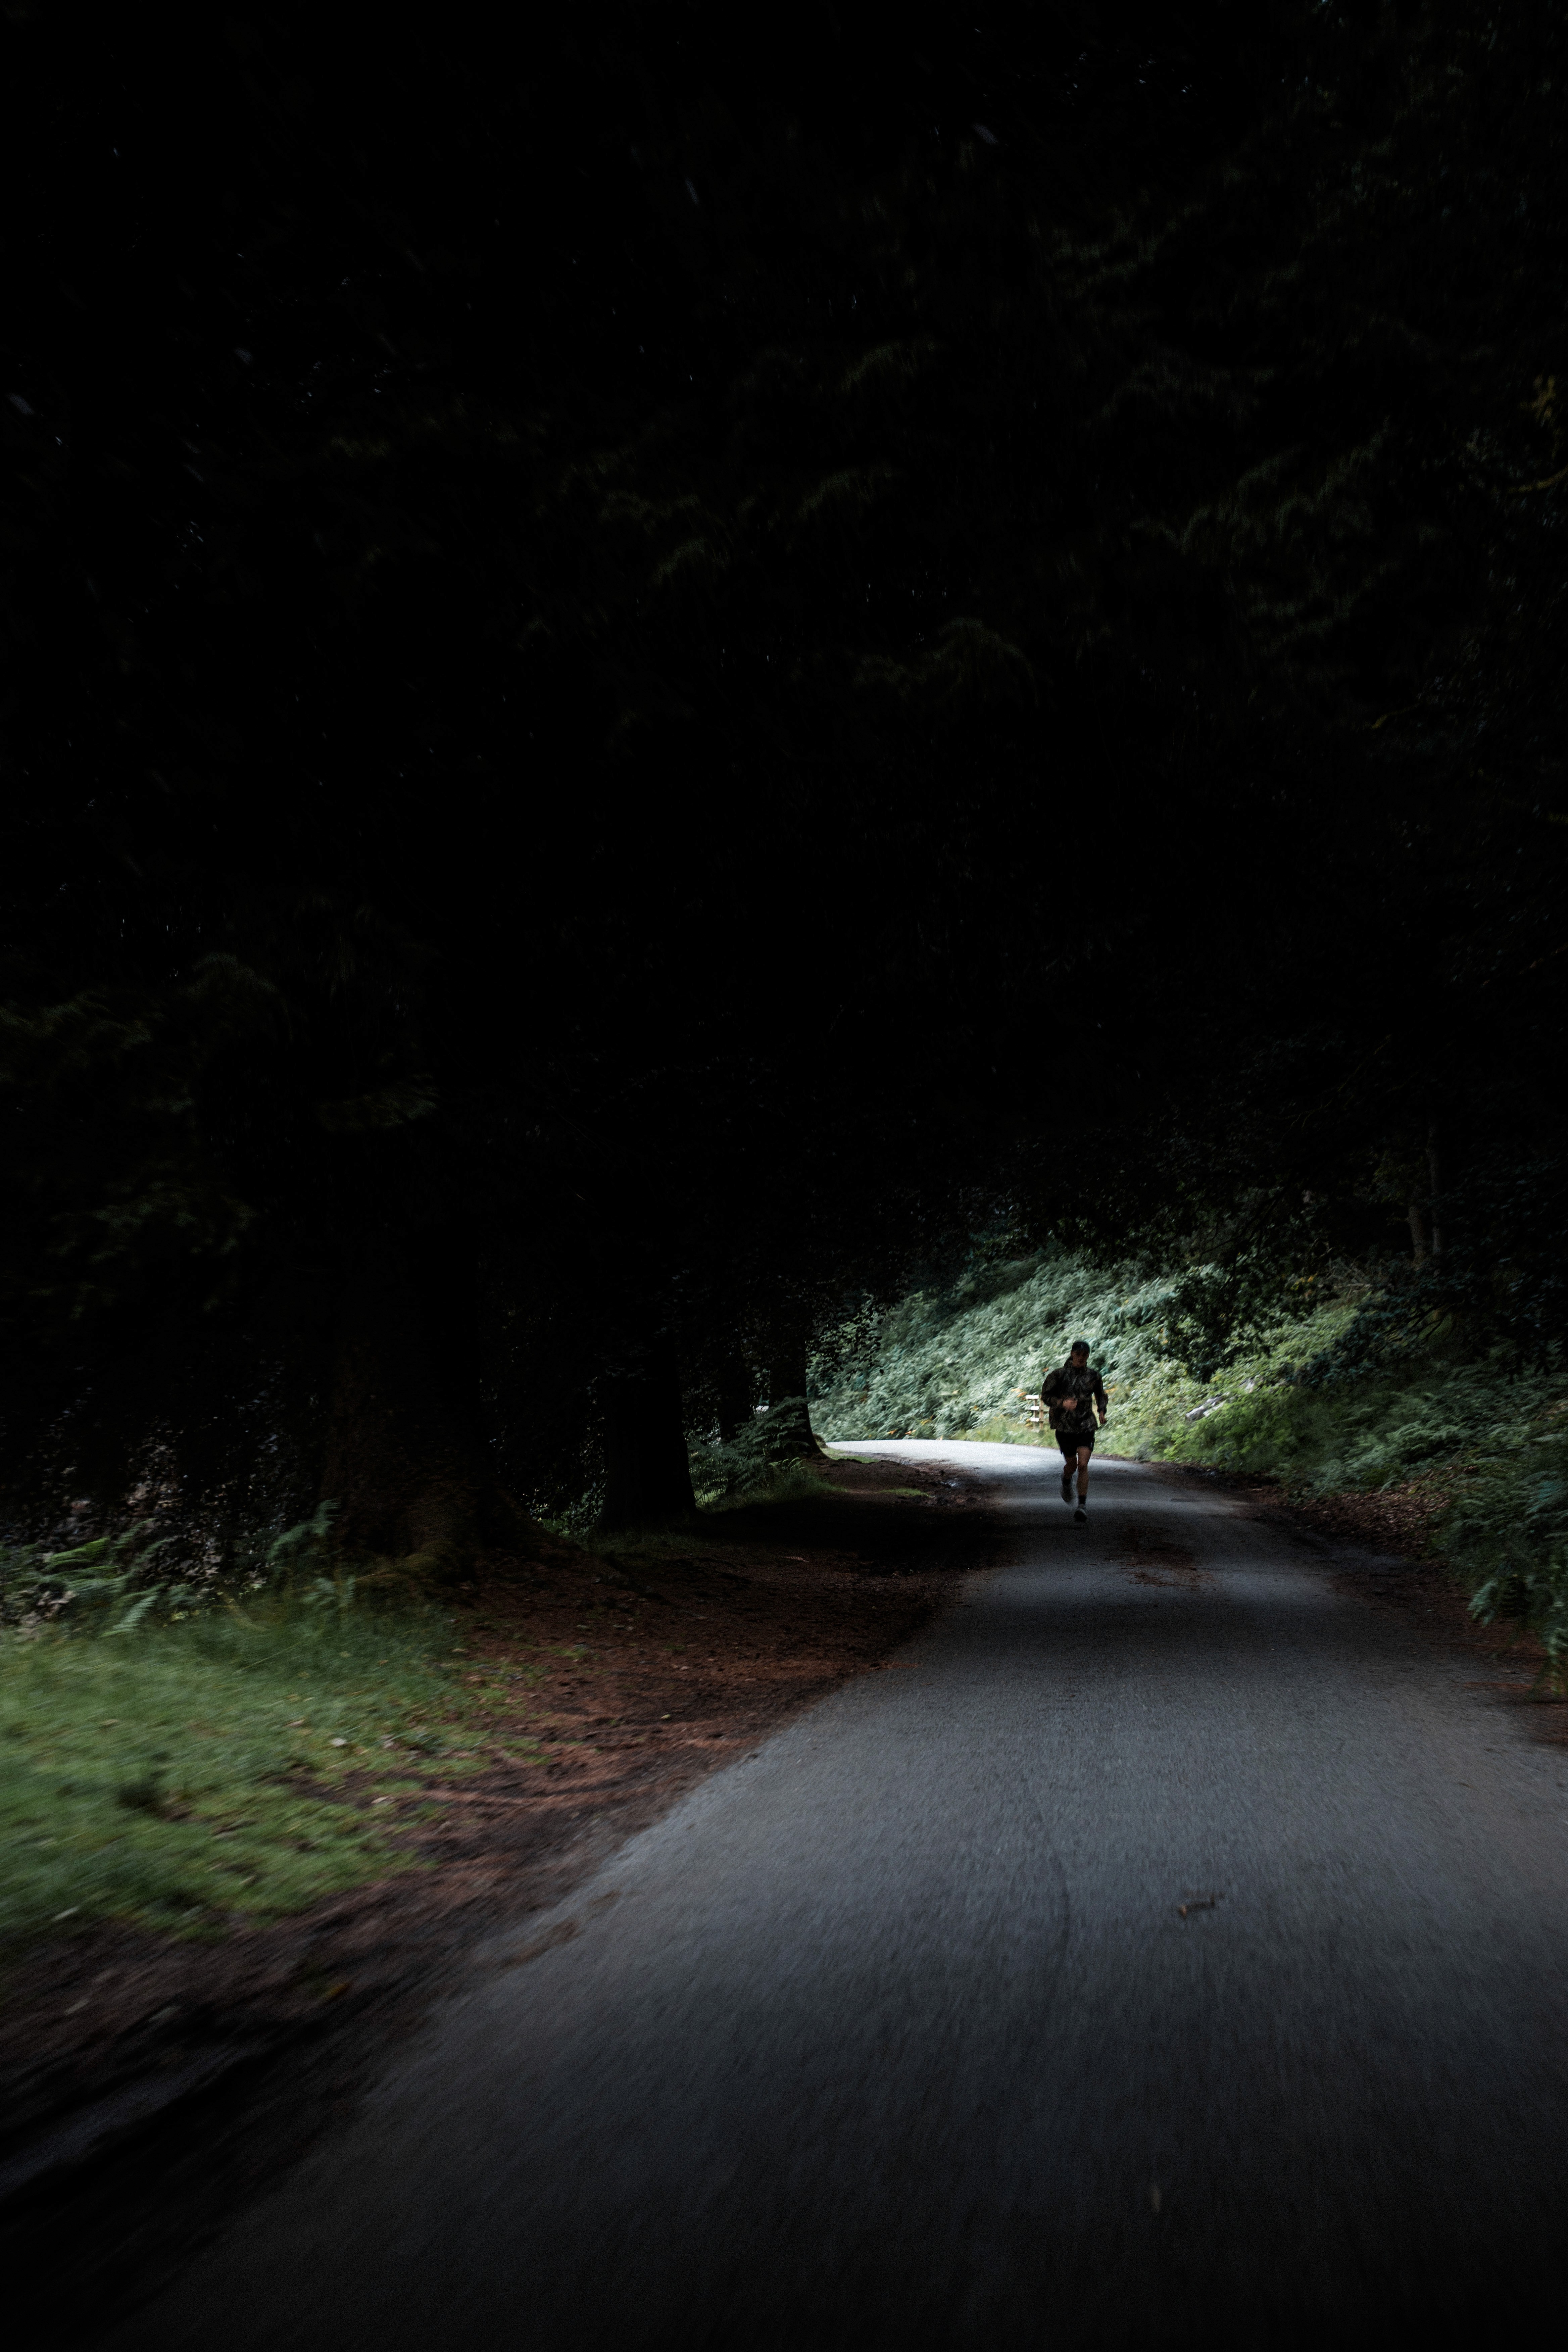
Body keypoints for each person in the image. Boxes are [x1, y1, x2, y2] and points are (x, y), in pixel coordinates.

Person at [1042, 1338, 1107, 1524]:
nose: (1081, 1358)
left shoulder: (1094, 1376)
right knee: (1072, 1465)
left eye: (1085, 1355)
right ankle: (1066, 1479)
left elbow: (1100, 1395)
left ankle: (1082, 1506)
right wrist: (1063, 1403)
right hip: (1064, 1426)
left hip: (1086, 1424)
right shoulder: (1059, 1375)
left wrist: (1102, 1411)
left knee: (1083, 1465)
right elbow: (1046, 1396)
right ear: (1072, 1354)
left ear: (1088, 1356)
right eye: (1078, 1354)